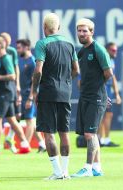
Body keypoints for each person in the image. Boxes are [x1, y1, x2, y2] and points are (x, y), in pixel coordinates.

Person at [33, 13, 79, 180]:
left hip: (47, 92)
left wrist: (33, 90)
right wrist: (65, 81)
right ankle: (65, 171)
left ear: (44, 28)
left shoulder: (42, 44)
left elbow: (38, 70)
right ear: (58, 28)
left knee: (49, 133)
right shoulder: (69, 44)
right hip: (65, 93)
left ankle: (57, 172)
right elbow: (76, 70)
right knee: (64, 132)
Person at [71, 18, 113, 177]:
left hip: (96, 97)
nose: (81, 34)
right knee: (91, 134)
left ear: (92, 32)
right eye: (79, 31)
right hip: (85, 96)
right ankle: (97, 168)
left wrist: (101, 91)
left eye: (85, 31)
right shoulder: (81, 51)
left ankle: (87, 168)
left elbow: (108, 74)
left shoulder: (99, 49)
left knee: (89, 134)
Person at [0, 36, 30, 155]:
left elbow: (12, 75)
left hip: (4, 93)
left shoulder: (6, 58)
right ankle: (25, 144)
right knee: (12, 120)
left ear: (0, 46)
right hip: (5, 93)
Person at [16, 39, 46, 153]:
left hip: (30, 95)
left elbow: (35, 81)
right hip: (22, 95)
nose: (18, 50)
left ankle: (25, 146)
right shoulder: (20, 60)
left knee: (29, 120)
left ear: (26, 47)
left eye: (19, 48)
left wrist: (31, 97)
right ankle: (42, 144)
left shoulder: (33, 61)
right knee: (30, 122)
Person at [0, 32, 22, 152]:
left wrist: (17, 84)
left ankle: (10, 138)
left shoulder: (11, 51)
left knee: (17, 115)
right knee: (0, 117)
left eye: (7, 41)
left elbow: (16, 68)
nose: (5, 43)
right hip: (1, 88)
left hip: (11, 86)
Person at [99, 42, 122, 147]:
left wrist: (117, 94)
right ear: (107, 50)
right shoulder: (102, 59)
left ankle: (106, 139)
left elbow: (113, 78)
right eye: (113, 50)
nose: (115, 52)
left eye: (116, 50)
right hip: (101, 90)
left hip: (109, 91)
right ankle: (100, 139)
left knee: (109, 114)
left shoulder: (112, 61)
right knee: (100, 115)